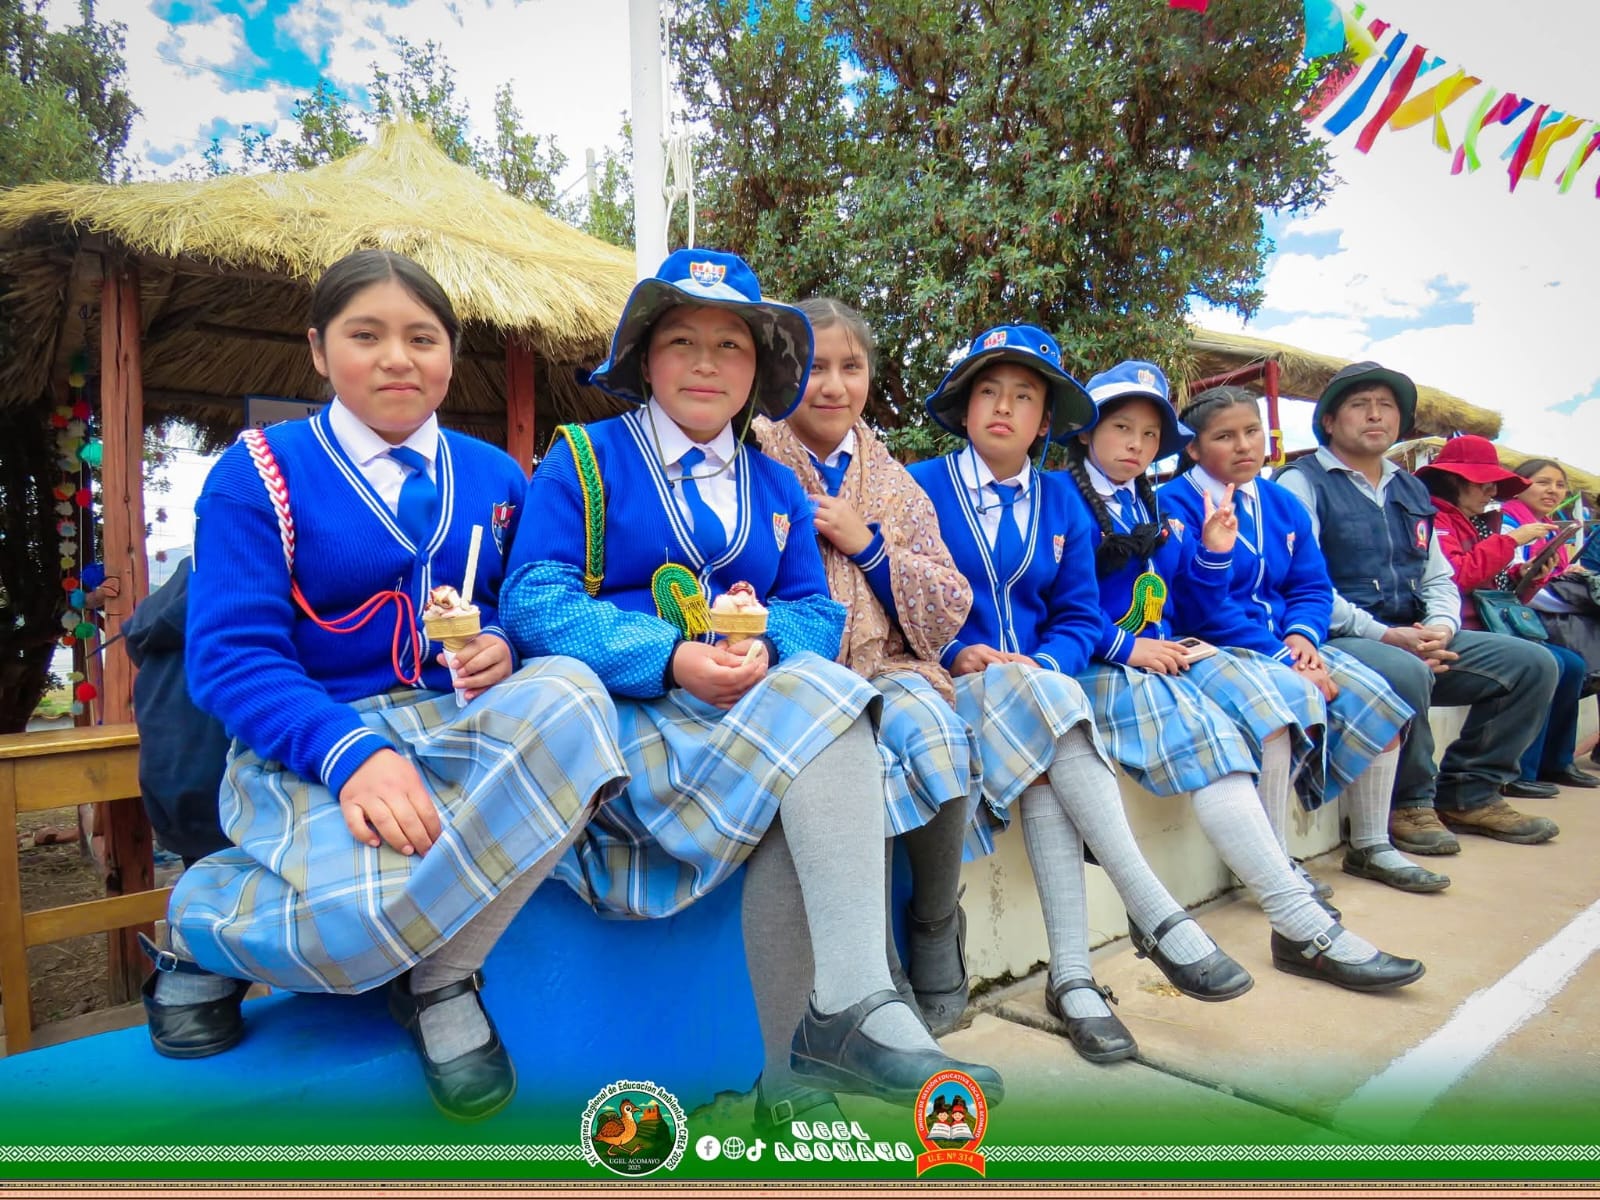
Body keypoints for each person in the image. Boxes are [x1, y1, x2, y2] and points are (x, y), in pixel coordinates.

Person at [499, 249, 1001, 1112]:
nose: (706, 363)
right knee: (821, 724)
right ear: (644, 359)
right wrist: (671, 656)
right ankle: (848, 1012)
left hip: (744, 720)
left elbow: (814, 614)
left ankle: (802, 1069)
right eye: (682, 341)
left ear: (758, 370)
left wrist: (762, 644)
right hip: (630, 723)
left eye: (730, 345)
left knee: (816, 721)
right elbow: (533, 599)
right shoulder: (584, 458)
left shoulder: (773, 483)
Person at [146, 249, 629, 1123]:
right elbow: (232, 656)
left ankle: (441, 976)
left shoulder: (497, 477)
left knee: (575, 696)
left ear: (451, 354)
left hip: (457, 731)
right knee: (361, 932)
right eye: (365, 335)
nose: (397, 358)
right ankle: (205, 923)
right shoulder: (258, 475)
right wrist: (351, 754)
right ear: (319, 350)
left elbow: (521, 608)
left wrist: (501, 646)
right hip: (312, 744)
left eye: (422, 338)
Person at [1052, 358, 1424, 995]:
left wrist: (1216, 558)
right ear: (1085, 431)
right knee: (1256, 717)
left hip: (1165, 651)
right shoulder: (1069, 496)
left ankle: (1308, 902)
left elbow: (1218, 592)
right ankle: (1292, 916)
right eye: (1121, 428)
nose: (1137, 445)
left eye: (1149, 434)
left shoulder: (1147, 498)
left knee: (1269, 728)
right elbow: (1068, 604)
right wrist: (1128, 644)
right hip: (1107, 661)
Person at [753, 299, 980, 1045]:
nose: (832, 385)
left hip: (887, 664)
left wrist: (871, 546)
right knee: (855, 762)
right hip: (797, 674)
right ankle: (875, 968)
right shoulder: (753, 455)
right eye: (813, 367)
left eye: (850, 367)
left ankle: (934, 921)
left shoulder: (894, 482)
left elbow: (948, 598)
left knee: (937, 736)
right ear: (783, 374)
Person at [1157, 387, 1446, 893]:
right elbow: (1195, 605)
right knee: (1281, 708)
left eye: (1251, 431)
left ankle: (1372, 845)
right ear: (1194, 449)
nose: (1244, 446)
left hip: (1288, 644)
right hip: (1215, 643)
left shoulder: (1280, 502)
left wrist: (1302, 637)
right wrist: (1282, 656)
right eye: (1225, 436)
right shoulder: (1172, 504)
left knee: (1377, 696)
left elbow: (1311, 585)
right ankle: (1271, 862)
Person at [1277, 363, 1559, 854]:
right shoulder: (1301, 483)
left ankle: (1471, 793)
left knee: (1535, 664)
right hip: (1338, 635)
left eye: (1386, 406)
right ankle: (1408, 803)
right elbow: (1302, 583)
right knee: (1404, 670)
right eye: (1360, 405)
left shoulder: (1410, 489)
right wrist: (1386, 636)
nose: (1375, 415)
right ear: (1329, 421)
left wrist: (1440, 628)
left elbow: (1438, 577)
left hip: (1414, 633)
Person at [1414, 439, 1596, 791]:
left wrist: (1528, 574)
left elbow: (1498, 592)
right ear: (1453, 481)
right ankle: (1513, 773)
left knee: (1571, 664)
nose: (1492, 492)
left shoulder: (1474, 522)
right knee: (1546, 663)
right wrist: (1512, 541)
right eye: (1484, 483)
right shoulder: (1436, 519)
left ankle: (1553, 763)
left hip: (1483, 624)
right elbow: (1457, 577)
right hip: (1453, 629)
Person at [122, 557, 232, 866]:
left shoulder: (156, 614)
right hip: (230, 787)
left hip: (172, 790)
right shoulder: (244, 591)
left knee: (204, 886)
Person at [1503, 459, 1600, 696]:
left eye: (1560, 485)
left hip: (1550, 614)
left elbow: (1551, 577)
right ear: (1519, 486)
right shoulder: (1506, 524)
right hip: (1520, 617)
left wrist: (1568, 574)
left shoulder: (1548, 527)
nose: (1552, 490)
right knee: (1569, 665)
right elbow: (1513, 584)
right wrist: (1583, 601)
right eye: (1543, 482)